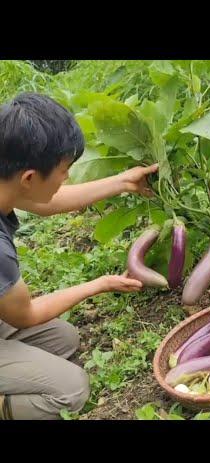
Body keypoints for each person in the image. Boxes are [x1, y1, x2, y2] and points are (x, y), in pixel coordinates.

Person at [0, 93, 158, 420]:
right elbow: (25, 315)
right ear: (29, 178)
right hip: (13, 315)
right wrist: (98, 284)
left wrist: (123, 181)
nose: (67, 177)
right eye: (64, 170)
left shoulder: (8, 178)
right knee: (71, 389)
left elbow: (49, 202)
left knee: (63, 339)